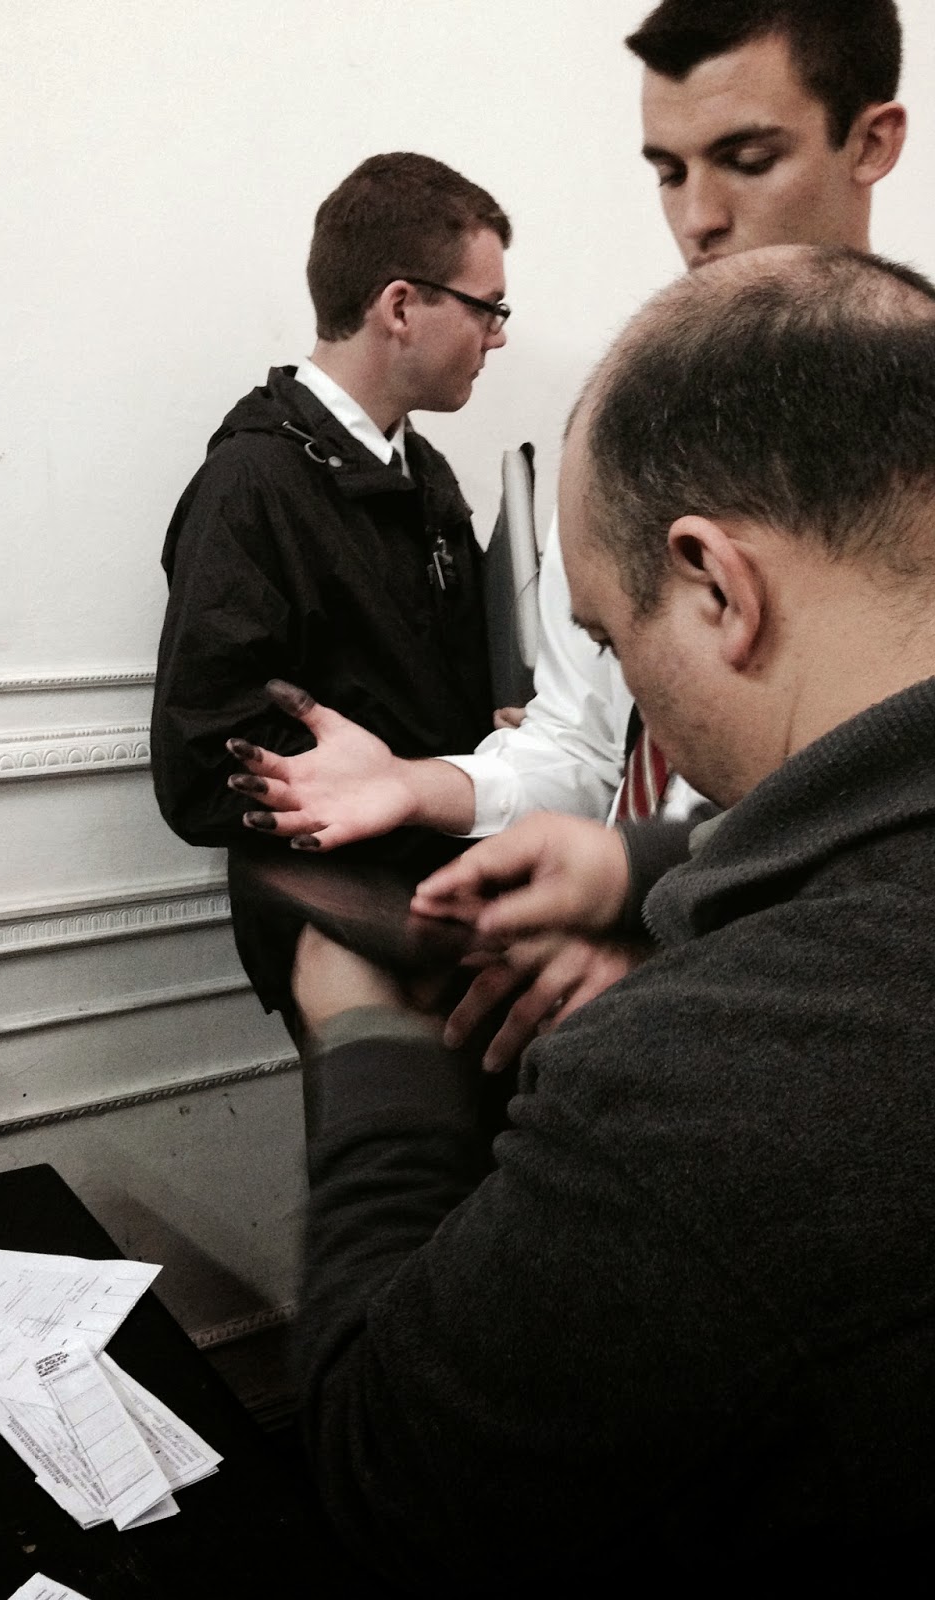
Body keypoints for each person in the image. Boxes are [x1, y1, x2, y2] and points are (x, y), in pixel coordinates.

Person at [290, 244, 935, 1591]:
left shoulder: (713, 1087)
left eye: (609, 635)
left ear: (718, 588)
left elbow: (383, 1483)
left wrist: (370, 1050)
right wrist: (640, 866)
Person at [227, 0, 907, 1054]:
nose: (698, 218)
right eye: (669, 172)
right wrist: (416, 785)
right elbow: (580, 744)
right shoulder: (621, 437)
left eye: (748, 159)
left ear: (871, 142)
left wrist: (662, 919)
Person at [151, 152, 511, 1019]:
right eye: (487, 308)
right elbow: (200, 764)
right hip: (347, 921)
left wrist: (506, 726)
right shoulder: (249, 484)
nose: (498, 336)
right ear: (400, 307)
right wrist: (401, 779)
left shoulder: (426, 473)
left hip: (459, 888)